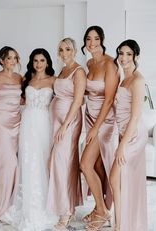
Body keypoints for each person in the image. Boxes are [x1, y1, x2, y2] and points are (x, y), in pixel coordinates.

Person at [0, 48, 56, 230]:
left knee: (42, 161)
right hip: (27, 123)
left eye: (42, 60)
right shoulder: (26, 80)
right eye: (35, 61)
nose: (38, 64)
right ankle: (26, 206)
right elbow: (13, 98)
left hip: (44, 124)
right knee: (27, 161)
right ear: (32, 63)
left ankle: (44, 204)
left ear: (47, 62)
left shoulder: (54, 81)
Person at [79, 25, 119, 230]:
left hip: (104, 121)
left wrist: (95, 128)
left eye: (95, 39)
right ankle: (98, 207)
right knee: (95, 166)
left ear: (102, 40)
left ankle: (103, 212)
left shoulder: (110, 64)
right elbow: (89, 91)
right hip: (89, 116)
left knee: (84, 164)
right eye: (88, 39)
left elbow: (109, 98)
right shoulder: (89, 63)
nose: (92, 43)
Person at [47, 37, 86, 229]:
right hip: (56, 122)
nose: (64, 53)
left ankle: (66, 211)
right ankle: (66, 204)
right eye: (61, 49)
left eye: (68, 49)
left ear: (75, 50)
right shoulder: (62, 70)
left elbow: (78, 101)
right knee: (61, 164)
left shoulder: (79, 71)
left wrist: (64, 126)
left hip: (69, 122)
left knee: (63, 163)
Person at [110, 39, 148, 231]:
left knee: (115, 178)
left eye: (128, 54)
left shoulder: (138, 80)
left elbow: (135, 117)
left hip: (133, 135)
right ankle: (121, 223)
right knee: (119, 180)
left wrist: (121, 146)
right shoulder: (122, 77)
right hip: (123, 133)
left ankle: (121, 225)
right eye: (121, 53)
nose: (123, 58)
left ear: (136, 56)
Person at [0, 46, 23, 219]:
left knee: (11, 163)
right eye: (8, 58)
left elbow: (25, 98)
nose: (12, 61)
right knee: (7, 163)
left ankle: (10, 202)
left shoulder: (20, 78)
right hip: (0, 123)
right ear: (1, 60)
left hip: (16, 124)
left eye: (15, 58)